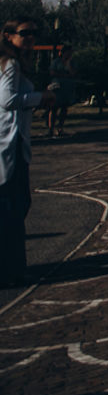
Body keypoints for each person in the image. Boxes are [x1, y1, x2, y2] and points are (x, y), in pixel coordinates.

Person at [1, 18, 47, 286]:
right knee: (14, 207)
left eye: (33, 33)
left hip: (12, 140)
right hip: (11, 142)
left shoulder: (11, 64)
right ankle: (13, 268)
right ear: (8, 36)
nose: (30, 37)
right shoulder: (11, 64)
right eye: (24, 33)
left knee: (14, 206)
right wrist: (41, 98)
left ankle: (13, 266)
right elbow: (7, 100)